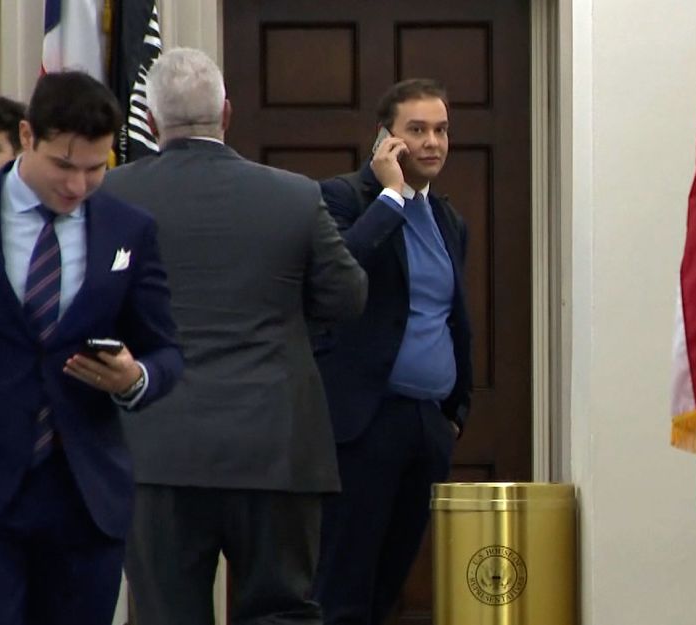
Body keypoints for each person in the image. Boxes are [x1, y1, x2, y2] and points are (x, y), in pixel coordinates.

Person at [0, 70, 183, 625]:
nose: (78, 185)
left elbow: (166, 350)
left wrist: (136, 379)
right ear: (28, 137)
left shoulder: (129, 229)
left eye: (95, 169)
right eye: (63, 165)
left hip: (85, 499)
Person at [101, 47, 367, 625]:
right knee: (280, 613)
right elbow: (348, 297)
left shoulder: (110, 198)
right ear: (226, 113)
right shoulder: (296, 195)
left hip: (157, 449)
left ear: (149, 122)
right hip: (276, 446)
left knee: (165, 614)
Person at [311, 78, 473, 625]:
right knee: (343, 588)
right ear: (386, 139)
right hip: (364, 422)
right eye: (418, 130)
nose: (432, 142)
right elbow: (340, 273)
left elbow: (452, 316)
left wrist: (456, 410)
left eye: (442, 130)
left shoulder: (449, 218)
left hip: (427, 425)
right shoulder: (342, 198)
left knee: (390, 588)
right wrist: (390, 195)